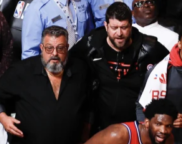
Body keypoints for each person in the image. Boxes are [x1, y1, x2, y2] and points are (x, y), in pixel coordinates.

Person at [71, 2, 169, 131]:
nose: (119, 33)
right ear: (106, 26)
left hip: (135, 127)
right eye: (114, 27)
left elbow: (174, 66)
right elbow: (70, 62)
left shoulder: (149, 47)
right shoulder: (91, 43)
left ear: (131, 25)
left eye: (124, 27)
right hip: (98, 126)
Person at [21, 0, 94, 59]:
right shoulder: (37, 8)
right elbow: (30, 52)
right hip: (52, 67)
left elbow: (89, 34)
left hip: (80, 65)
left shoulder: (83, 2)